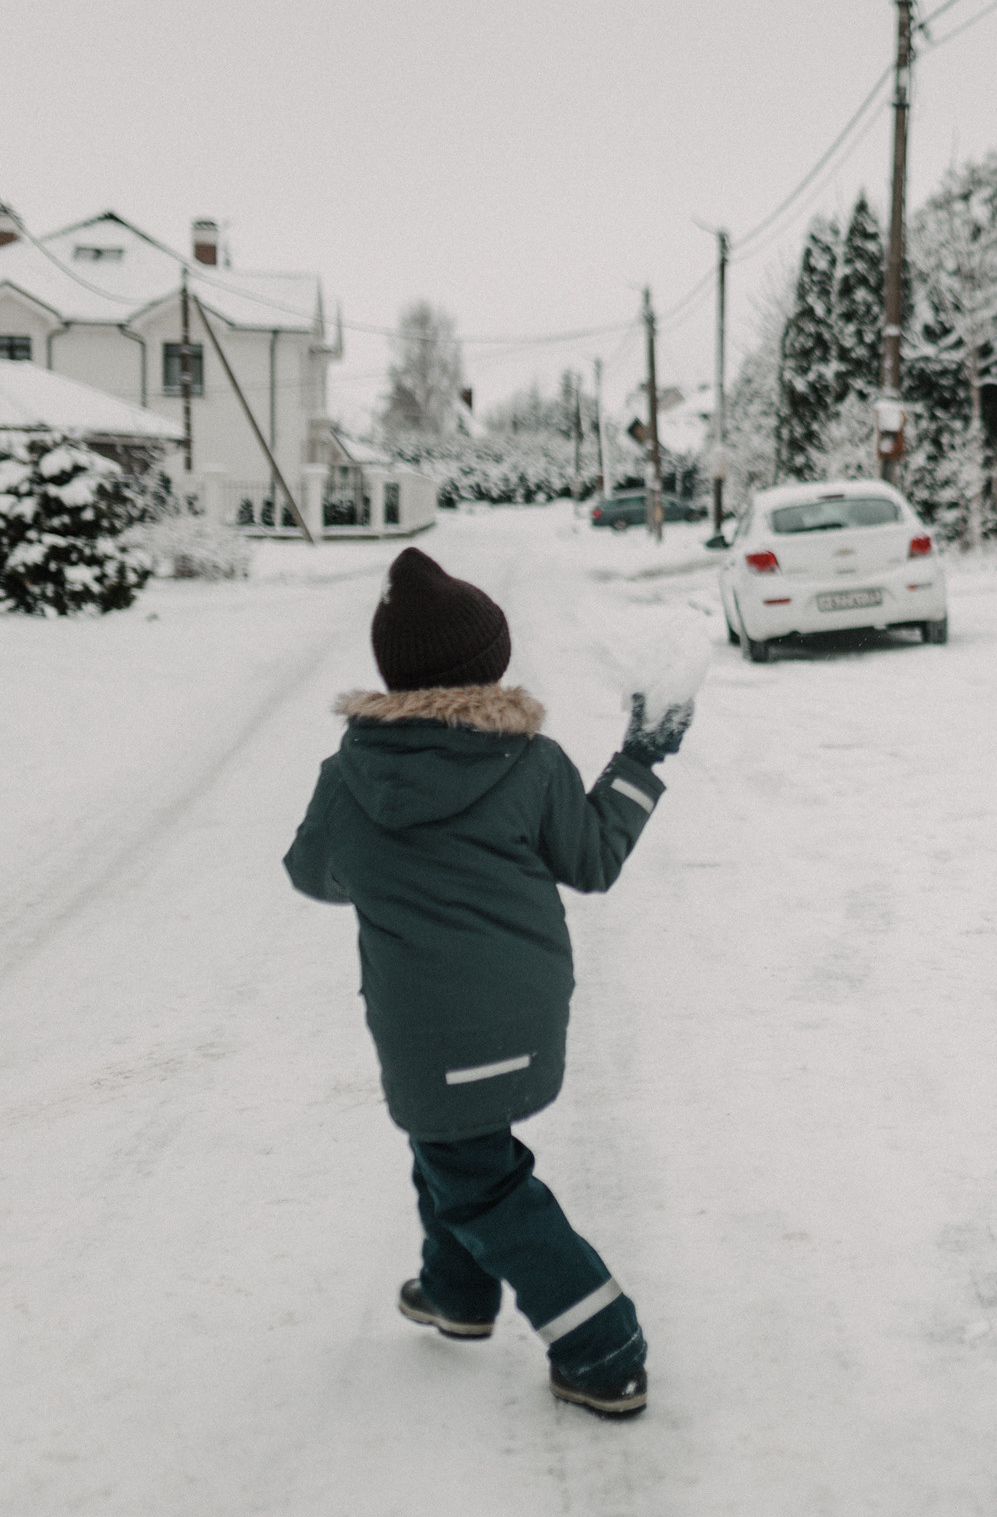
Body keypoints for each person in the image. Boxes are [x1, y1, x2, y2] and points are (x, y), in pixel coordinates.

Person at [284, 547, 695, 1418]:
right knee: (451, 1147)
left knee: (478, 1178)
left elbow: (312, 875)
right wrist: (641, 759)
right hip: (526, 1010)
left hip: (425, 1027)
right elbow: (593, 860)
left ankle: (603, 1349)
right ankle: (457, 1294)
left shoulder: (347, 777)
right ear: (489, 667)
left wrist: (383, 869)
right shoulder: (532, 763)